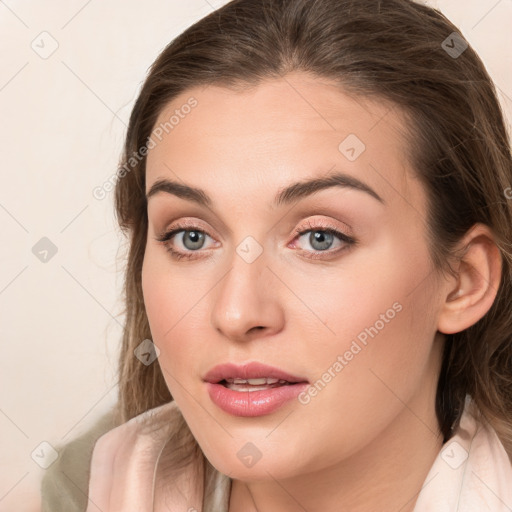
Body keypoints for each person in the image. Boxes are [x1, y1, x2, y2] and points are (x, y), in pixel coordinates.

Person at [41, 0, 512, 510]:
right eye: (191, 237)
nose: (238, 313)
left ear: (463, 280)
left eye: (320, 238)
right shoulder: (87, 486)